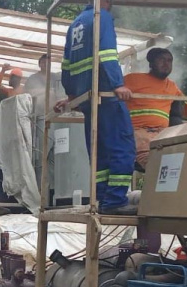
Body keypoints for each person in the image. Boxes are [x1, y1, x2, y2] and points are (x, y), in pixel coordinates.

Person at [55, 0, 137, 215]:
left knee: (99, 151)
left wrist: (72, 95)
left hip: (87, 99)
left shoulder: (75, 25)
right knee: (122, 147)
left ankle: (101, 198)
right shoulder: (103, 17)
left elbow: (66, 64)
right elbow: (107, 53)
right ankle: (115, 200)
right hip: (105, 94)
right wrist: (117, 83)